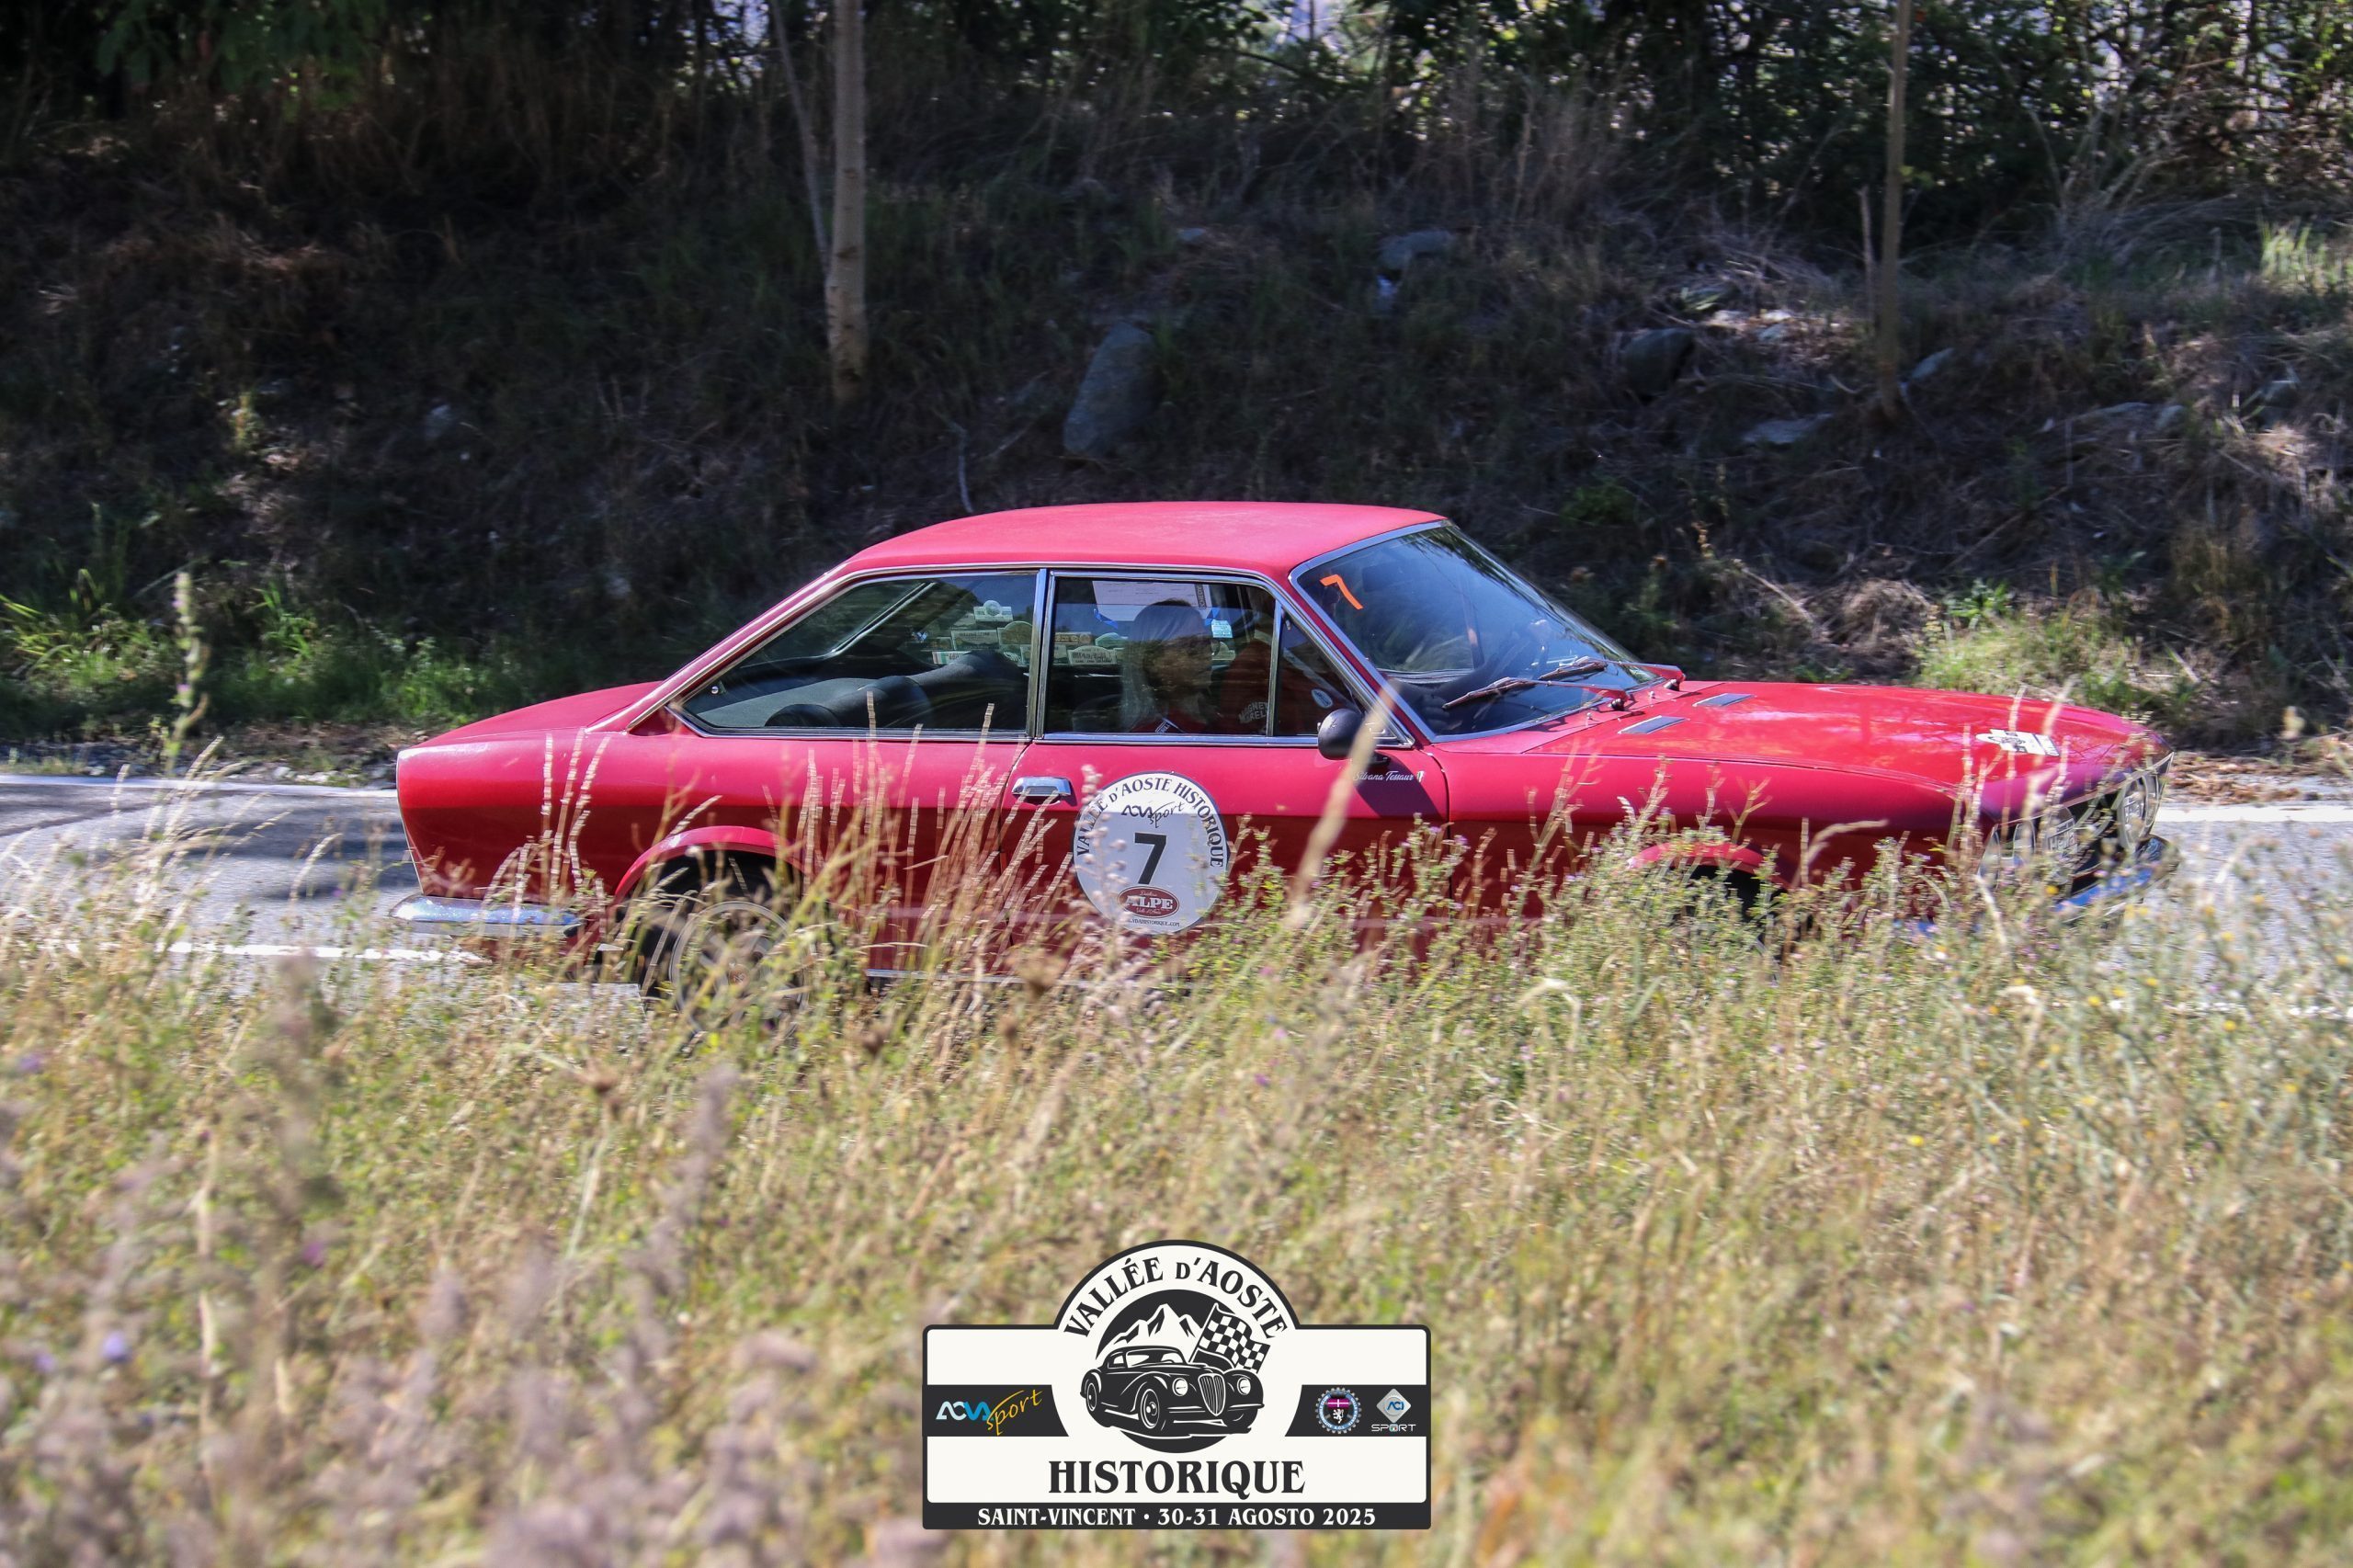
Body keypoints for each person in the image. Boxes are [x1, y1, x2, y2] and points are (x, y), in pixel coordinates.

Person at [1119, 600, 1215, 733]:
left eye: (1207, 643)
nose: (1205, 654)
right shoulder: (1153, 737)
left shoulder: (1216, 712)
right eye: (1191, 646)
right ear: (1152, 661)